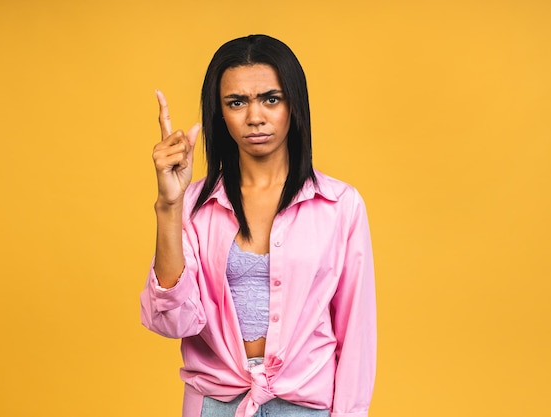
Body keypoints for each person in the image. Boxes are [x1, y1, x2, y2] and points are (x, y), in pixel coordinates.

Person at [140, 34, 376, 417]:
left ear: (294, 105)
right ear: (220, 113)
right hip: (216, 403)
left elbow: (357, 332)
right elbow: (173, 320)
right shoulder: (195, 206)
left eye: (271, 98)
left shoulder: (339, 206)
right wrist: (169, 205)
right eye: (237, 102)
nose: (255, 117)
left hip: (305, 405)